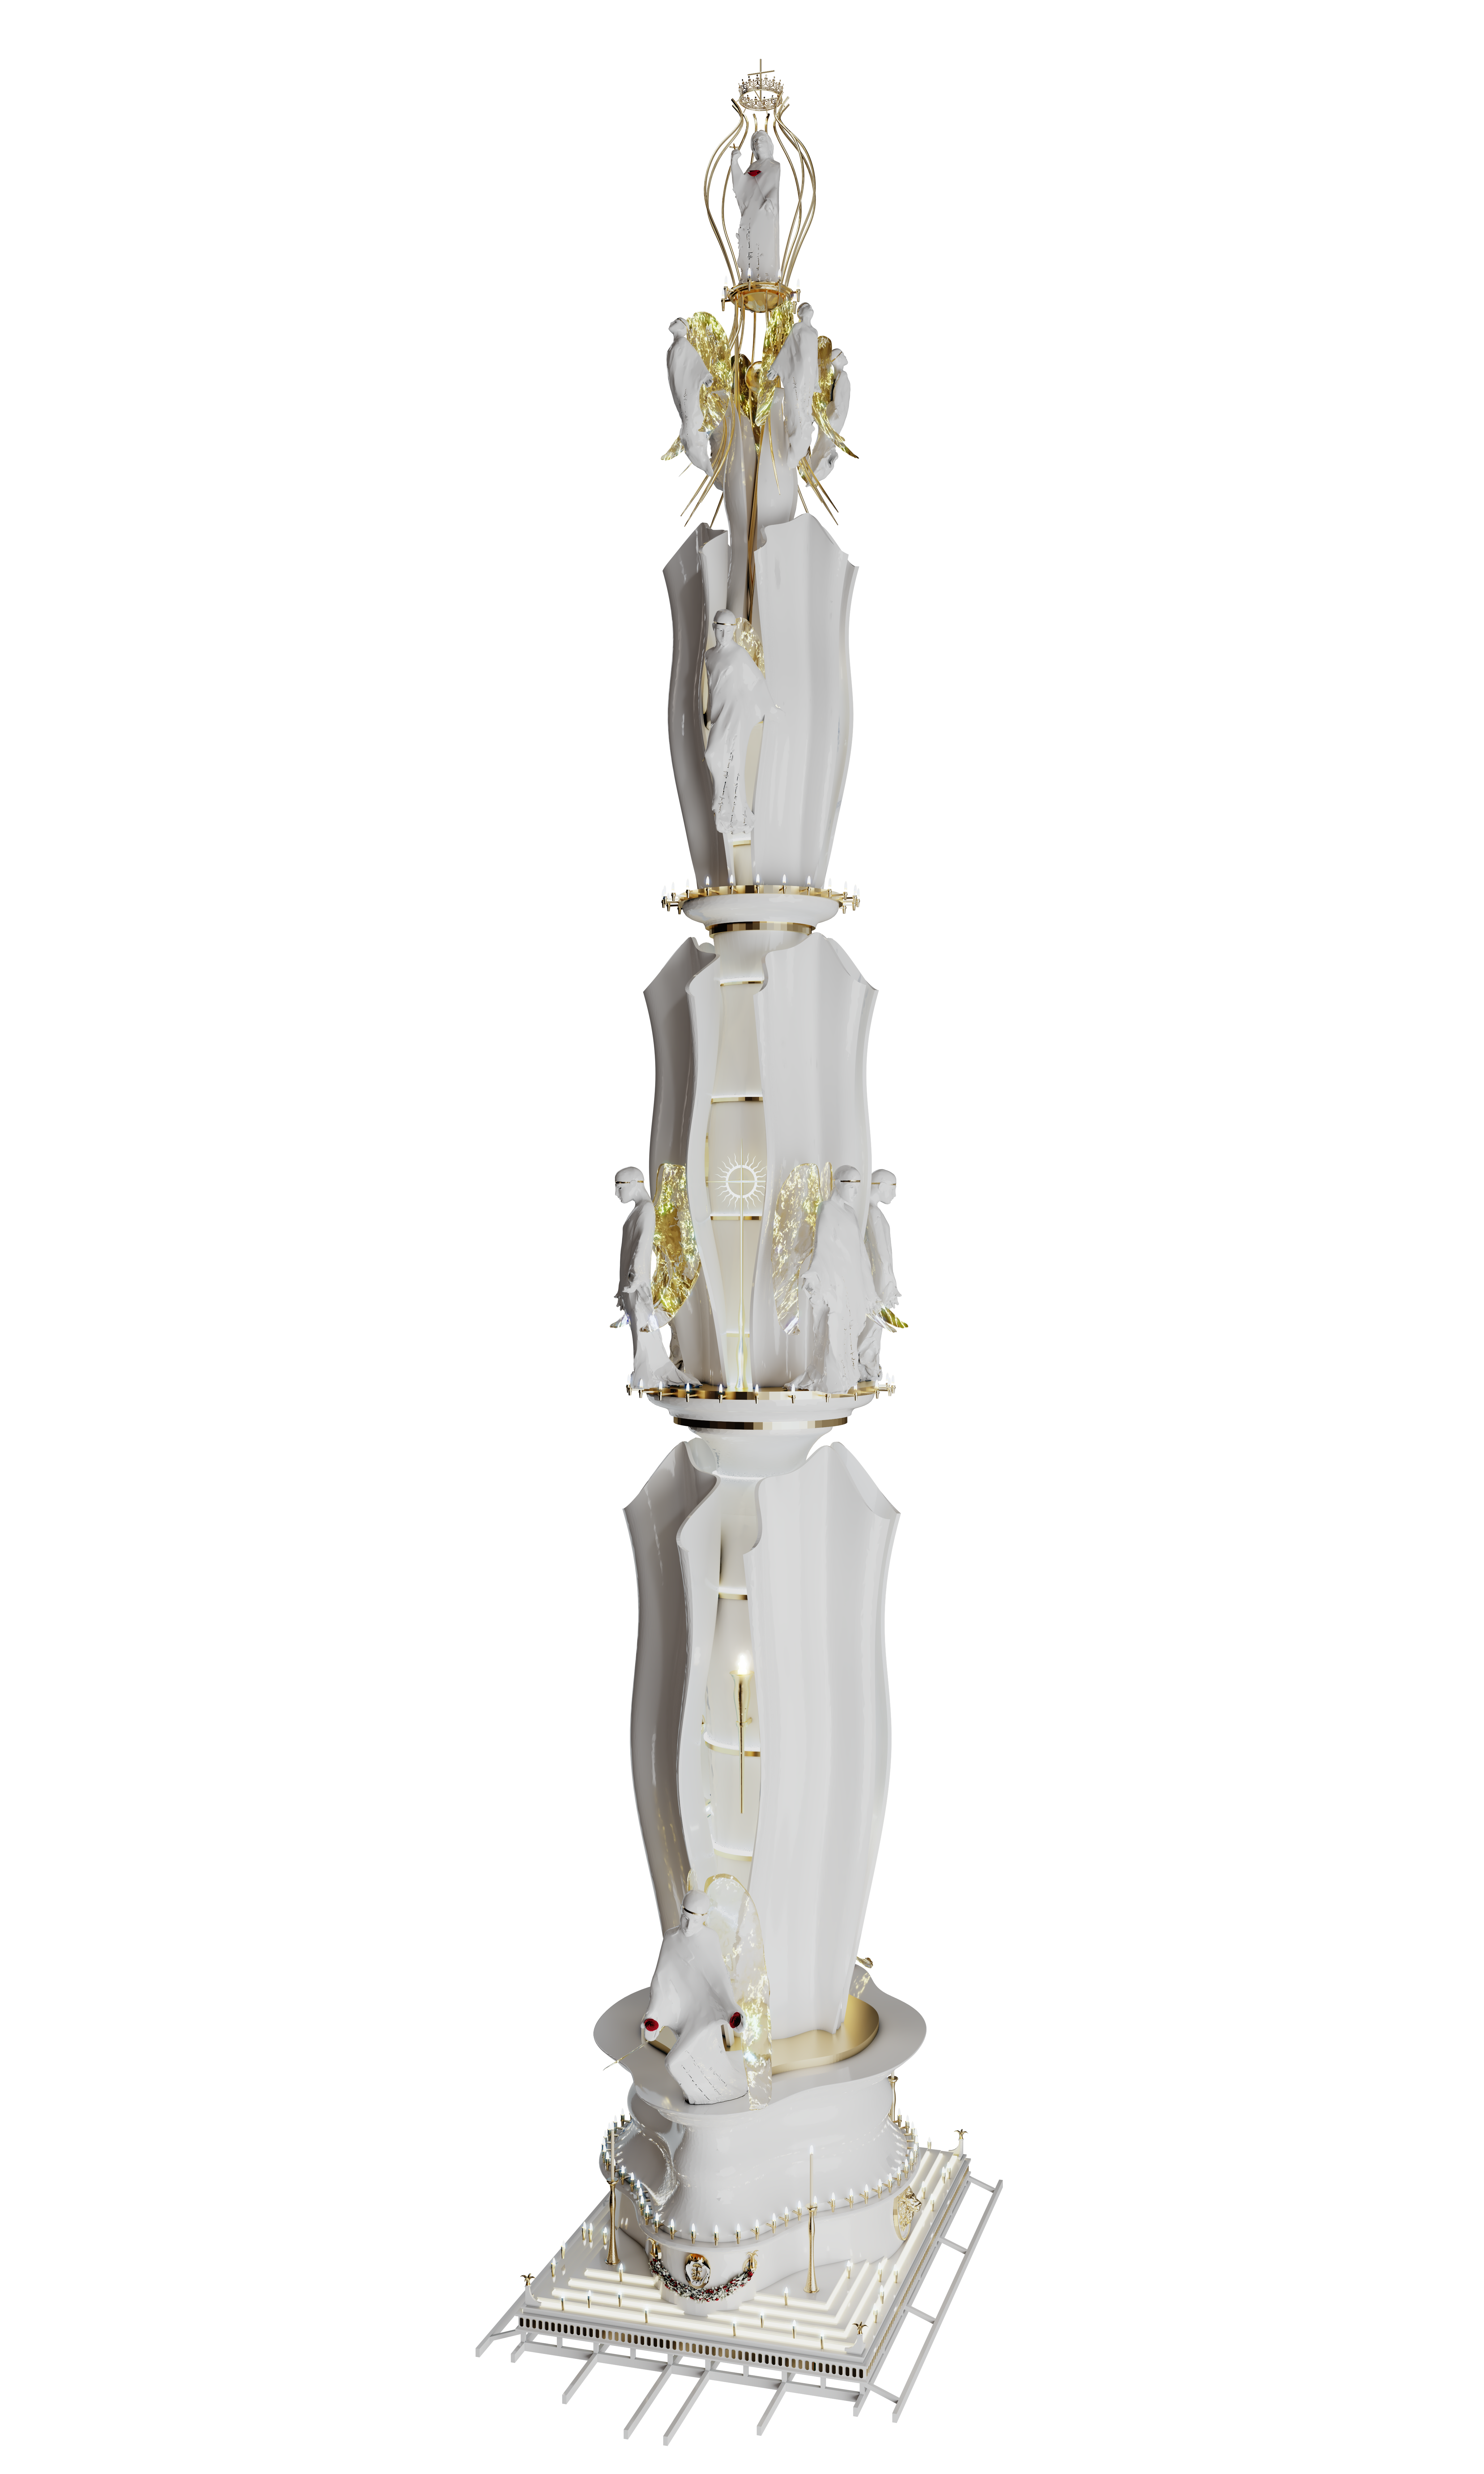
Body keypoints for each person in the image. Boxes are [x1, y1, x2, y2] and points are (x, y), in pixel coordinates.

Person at [642, 1889, 748, 2105]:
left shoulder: (710, 1939)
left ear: (705, 1918)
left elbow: (718, 1978)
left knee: (675, 2062)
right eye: (686, 1918)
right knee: (681, 2062)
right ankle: (704, 2093)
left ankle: (714, 2092)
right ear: (681, 1912)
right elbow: (661, 1980)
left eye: (696, 1921)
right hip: (683, 2012)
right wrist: (655, 2017)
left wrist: (731, 2010)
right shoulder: (671, 1939)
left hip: (705, 2013)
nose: (689, 1927)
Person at [703, 610, 773, 877]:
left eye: (728, 629)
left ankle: (733, 811)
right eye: (719, 628)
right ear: (714, 627)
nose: (723, 633)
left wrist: (770, 708)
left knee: (722, 758)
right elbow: (712, 687)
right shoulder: (709, 656)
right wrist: (708, 714)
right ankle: (728, 808)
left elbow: (757, 682)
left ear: (734, 629)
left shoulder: (739, 655)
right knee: (715, 757)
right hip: (720, 715)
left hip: (736, 714)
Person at [797, 1163, 876, 1391]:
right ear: (839, 1184)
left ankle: (847, 1375)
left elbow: (861, 1252)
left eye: (858, 1186)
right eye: (852, 1186)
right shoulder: (827, 1209)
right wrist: (815, 1275)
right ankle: (834, 1378)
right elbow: (822, 1246)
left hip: (854, 1281)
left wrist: (869, 1288)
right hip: (837, 1281)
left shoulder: (851, 1213)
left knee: (852, 1328)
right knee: (837, 1326)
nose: (856, 1192)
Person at [615, 1166, 680, 1388]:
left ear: (634, 1184)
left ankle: (649, 1375)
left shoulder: (646, 1209)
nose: (617, 1193)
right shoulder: (640, 1209)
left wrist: (637, 1278)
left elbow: (643, 1244)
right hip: (632, 1282)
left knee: (643, 1331)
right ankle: (648, 1373)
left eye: (620, 1187)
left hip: (637, 1282)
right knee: (641, 1331)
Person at [860, 1167, 899, 1383]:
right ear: (882, 1186)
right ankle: (866, 1360)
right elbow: (881, 1252)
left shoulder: (869, 1211)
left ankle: (867, 1362)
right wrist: (890, 1280)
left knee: (875, 1321)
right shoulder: (873, 1213)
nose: (894, 1195)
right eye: (893, 1189)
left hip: (875, 1276)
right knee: (875, 1322)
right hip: (878, 1278)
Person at [729, 128, 781, 281]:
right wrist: (734, 163)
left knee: (764, 244)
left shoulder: (775, 166)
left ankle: (767, 278)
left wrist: (772, 201)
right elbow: (741, 187)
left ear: (769, 144)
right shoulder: (751, 168)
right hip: (751, 213)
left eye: (762, 139)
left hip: (766, 211)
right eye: (755, 141)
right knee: (751, 243)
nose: (758, 143)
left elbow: (774, 187)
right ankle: (750, 278)